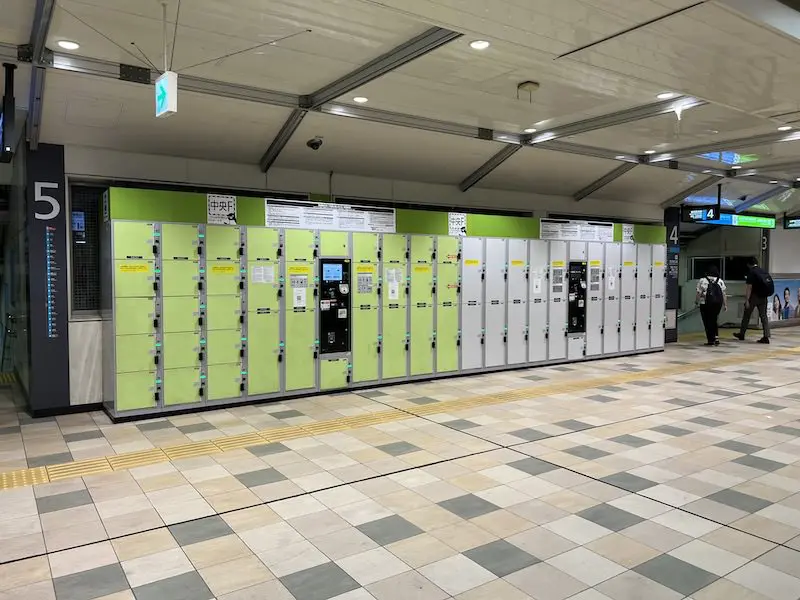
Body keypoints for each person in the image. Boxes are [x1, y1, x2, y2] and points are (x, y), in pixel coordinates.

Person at [733, 257, 773, 344]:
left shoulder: (751, 272)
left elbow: (749, 287)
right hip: (764, 297)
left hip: (754, 297)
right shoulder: (763, 271)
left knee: (746, 315)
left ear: (749, 264)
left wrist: (747, 300)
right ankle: (766, 336)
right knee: (764, 316)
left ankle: (742, 334)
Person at [696, 265, 727, 346]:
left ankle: (710, 340)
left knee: (707, 321)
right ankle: (716, 337)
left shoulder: (703, 280)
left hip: (705, 304)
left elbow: (699, 293)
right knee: (714, 320)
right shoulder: (720, 281)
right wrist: (725, 305)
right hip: (717, 304)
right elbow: (723, 294)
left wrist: (696, 302)